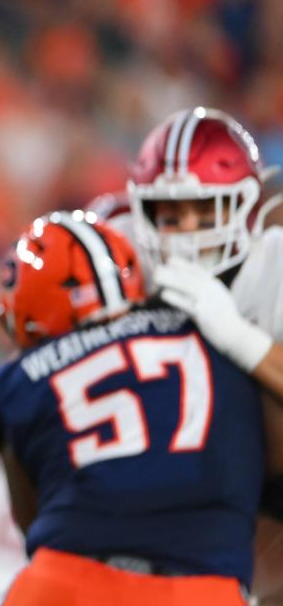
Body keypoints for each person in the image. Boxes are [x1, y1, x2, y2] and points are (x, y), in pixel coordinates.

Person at [0, 210, 263, 605]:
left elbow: (30, 522)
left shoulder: (16, 380)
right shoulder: (217, 331)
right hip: (204, 587)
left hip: (68, 580)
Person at [111, 107, 283, 601]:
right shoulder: (119, 256)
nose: (188, 230)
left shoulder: (272, 265)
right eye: (171, 213)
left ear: (247, 205)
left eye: (206, 209)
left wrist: (240, 340)